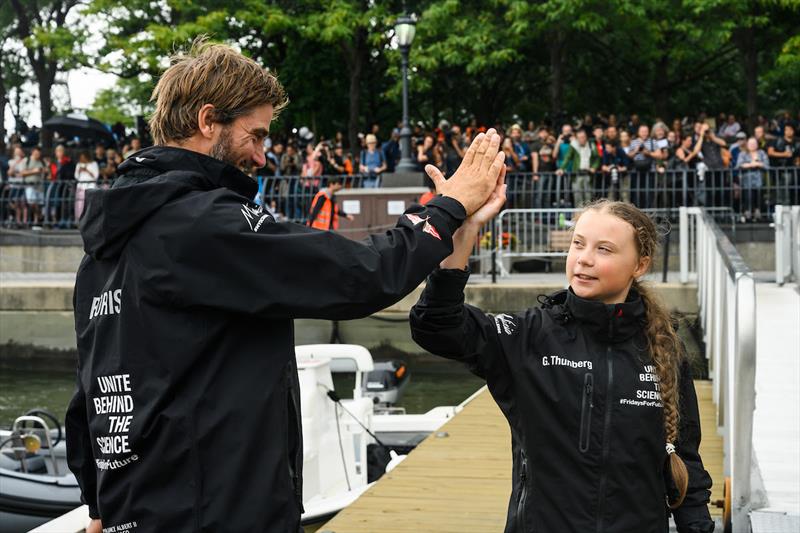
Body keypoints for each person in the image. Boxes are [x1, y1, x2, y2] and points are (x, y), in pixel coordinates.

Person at [65, 40, 505, 533]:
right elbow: (360, 274)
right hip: (217, 511)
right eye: (254, 135)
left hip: (137, 507)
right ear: (209, 121)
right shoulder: (203, 223)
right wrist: (448, 208)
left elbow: (90, 388)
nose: (260, 155)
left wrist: (97, 503)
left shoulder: (101, 250)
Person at [409, 194, 714, 533]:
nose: (584, 259)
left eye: (604, 249)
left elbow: (685, 456)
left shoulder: (665, 347)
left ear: (640, 265)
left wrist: (697, 524)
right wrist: (463, 238)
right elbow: (436, 327)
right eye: (578, 245)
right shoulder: (528, 336)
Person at [736, 137, 768, 222]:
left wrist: (757, 164)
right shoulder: (742, 154)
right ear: (747, 145)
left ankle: (758, 216)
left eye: (754, 143)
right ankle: (747, 215)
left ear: (757, 144)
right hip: (747, 181)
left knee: (759, 198)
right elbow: (739, 165)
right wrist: (752, 164)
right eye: (750, 144)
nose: (752, 145)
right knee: (747, 198)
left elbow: (767, 165)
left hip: (759, 181)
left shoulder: (762, 153)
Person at [74, 150, 99, 222]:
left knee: (90, 204)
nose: (82, 159)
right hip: (81, 187)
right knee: (80, 204)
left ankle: (90, 220)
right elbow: (76, 176)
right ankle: (80, 220)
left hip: (91, 186)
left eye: (84, 157)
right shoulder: (79, 164)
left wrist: (87, 170)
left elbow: (96, 176)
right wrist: (79, 171)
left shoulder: (94, 164)